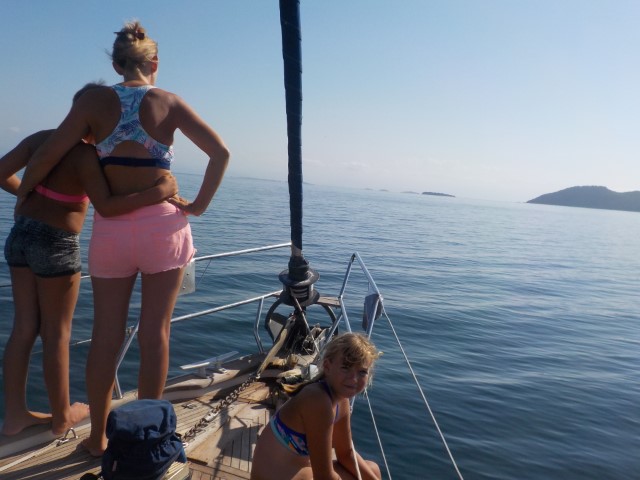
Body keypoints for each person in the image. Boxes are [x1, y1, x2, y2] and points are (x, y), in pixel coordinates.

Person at [17, 21, 230, 455]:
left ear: (115, 64)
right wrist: (198, 206)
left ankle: (97, 439)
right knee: (155, 333)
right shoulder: (169, 102)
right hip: (163, 229)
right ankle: (144, 441)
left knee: (105, 336)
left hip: (112, 231)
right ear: (154, 63)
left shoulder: (93, 101)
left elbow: (49, 153)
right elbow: (220, 153)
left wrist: (24, 195)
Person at [0, 83, 179, 436]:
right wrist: (159, 192)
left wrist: (29, 194)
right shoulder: (87, 156)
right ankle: (61, 417)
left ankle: (15, 416)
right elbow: (108, 206)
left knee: (23, 327)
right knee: (57, 333)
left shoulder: (40, 139)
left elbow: (1, 170)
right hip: (56, 242)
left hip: (20, 234)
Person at [251, 333, 383, 480]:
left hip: (299, 469)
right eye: (345, 368)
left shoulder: (342, 401)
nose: (353, 379)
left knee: (373, 469)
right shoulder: (318, 400)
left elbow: (346, 453)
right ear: (327, 366)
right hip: (276, 475)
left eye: (362, 372)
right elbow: (324, 476)